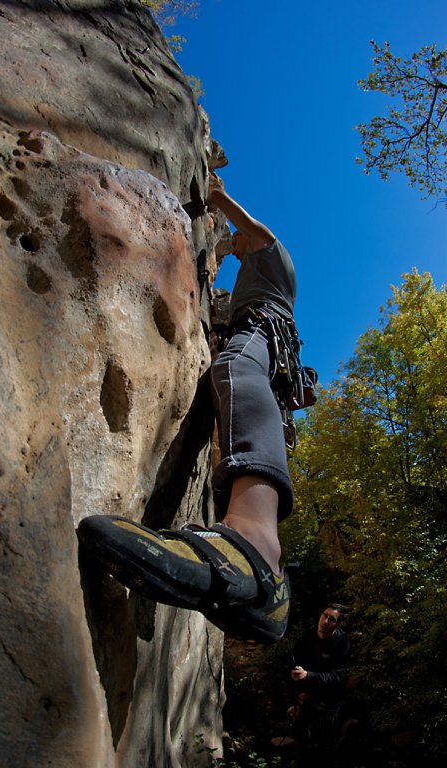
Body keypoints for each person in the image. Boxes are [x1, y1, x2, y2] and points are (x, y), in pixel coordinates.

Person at [77, 174, 299, 644]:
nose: (234, 246)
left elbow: (256, 231)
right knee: (233, 384)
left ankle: (255, 544)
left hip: (263, 330)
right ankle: (265, 573)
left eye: (237, 244)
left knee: (235, 370)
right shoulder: (258, 278)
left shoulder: (273, 259)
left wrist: (215, 197)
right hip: (266, 342)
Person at [287, 603, 352, 762]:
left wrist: (308, 675)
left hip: (330, 699)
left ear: (338, 624)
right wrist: (294, 698)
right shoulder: (306, 639)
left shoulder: (342, 643)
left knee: (326, 746)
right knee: (300, 737)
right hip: (307, 696)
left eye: (332, 619)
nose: (325, 621)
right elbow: (294, 670)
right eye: (324, 616)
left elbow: (337, 677)